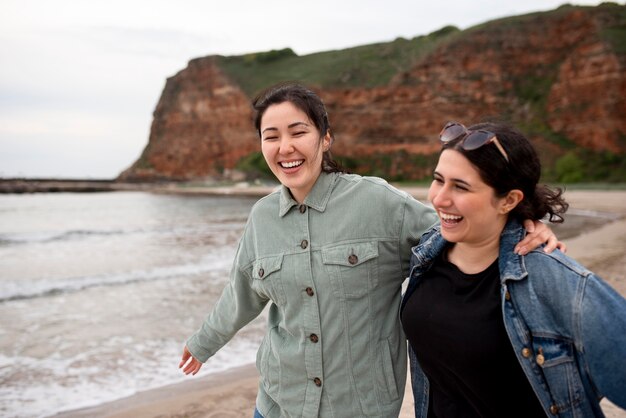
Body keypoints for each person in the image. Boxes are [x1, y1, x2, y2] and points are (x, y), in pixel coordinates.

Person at [178, 84, 560, 418]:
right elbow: (240, 294)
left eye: (298, 132)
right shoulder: (262, 217)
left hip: (361, 407)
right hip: (278, 402)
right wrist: (203, 344)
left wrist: (521, 225)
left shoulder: (378, 201)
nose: (285, 147)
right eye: (271, 136)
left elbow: (461, 228)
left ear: (325, 138)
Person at [401, 121, 626, 417]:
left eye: (461, 186)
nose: (439, 198)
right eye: (438, 179)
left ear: (508, 200)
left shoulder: (552, 277)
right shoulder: (428, 252)